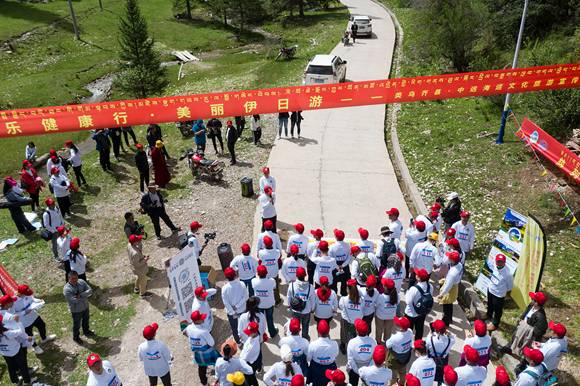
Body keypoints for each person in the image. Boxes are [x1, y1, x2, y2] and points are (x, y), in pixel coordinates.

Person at [13, 284, 56, 355]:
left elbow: (32, 299)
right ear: (20, 293)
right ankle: (35, 347)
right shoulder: (14, 301)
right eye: (26, 294)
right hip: (24, 322)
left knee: (42, 325)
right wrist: (24, 312)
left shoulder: (28, 294)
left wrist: (38, 301)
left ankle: (44, 338)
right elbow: (14, 314)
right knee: (29, 335)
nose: (27, 295)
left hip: (34, 316)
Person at [506, 291, 548, 356]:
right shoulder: (531, 305)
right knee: (514, 337)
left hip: (526, 334)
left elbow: (541, 330)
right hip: (521, 327)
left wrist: (529, 331)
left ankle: (520, 356)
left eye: (533, 299)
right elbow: (526, 312)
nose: (531, 300)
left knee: (521, 344)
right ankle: (508, 348)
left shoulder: (540, 316)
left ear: (536, 303)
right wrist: (521, 318)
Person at [184, 311, 220, 386]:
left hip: (197, 352)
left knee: (201, 367)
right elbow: (212, 343)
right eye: (201, 318)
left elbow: (184, 332)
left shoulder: (189, 327)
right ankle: (219, 376)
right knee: (218, 361)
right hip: (207, 352)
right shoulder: (203, 331)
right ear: (197, 321)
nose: (203, 319)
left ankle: (204, 383)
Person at [0, 314, 34, 385]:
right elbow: (21, 331)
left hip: (5, 353)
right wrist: (18, 322)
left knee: (10, 366)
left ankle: (15, 381)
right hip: (16, 351)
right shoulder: (7, 333)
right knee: (23, 365)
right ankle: (27, 381)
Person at [63, 271, 94, 344]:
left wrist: (80, 295)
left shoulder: (81, 282)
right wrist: (85, 295)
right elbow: (74, 301)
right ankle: (76, 337)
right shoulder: (67, 289)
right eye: (73, 278)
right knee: (77, 325)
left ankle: (86, 331)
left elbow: (90, 291)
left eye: (76, 278)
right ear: (69, 278)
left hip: (85, 306)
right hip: (76, 310)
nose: (75, 280)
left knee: (86, 320)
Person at [486, 253, 514, 332]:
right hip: (491, 289)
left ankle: (495, 324)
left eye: (501, 262)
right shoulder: (494, 266)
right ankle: (488, 315)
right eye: (498, 261)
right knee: (490, 304)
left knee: (498, 310)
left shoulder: (508, 274)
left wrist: (501, 290)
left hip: (498, 294)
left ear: (504, 262)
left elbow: (510, 286)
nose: (499, 263)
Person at [307, 320, 339, 386]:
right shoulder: (334, 344)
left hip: (316, 368)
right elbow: (336, 355)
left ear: (318, 331)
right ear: (329, 331)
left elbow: (309, 358)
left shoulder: (313, 344)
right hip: (330, 368)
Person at [435, 251, 462, 326]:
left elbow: (448, 286)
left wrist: (441, 294)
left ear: (453, 260)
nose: (448, 259)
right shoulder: (459, 265)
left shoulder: (452, 273)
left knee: (446, 306)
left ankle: (445, 323)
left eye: (450, 259)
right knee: (450, 304)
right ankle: (449, 319)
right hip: (455, 286)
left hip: (450, 289)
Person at [287, 267, 315, 340]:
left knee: (296, 325)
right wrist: (312, 309)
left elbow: (289, 297)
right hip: (306, 311)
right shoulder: (310, 287)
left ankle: (296, 337)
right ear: (305, 275)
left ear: (296, 275)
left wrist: (289, 306)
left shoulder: (291, 285)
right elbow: (313, 300)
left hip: (295, 310)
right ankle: (305, 337)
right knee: (305, 325)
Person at [405, 268, 433, 340]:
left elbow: (408, 302)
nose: (416, 275)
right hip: (422, 312)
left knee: (408, 330)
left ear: (418, 278)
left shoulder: (414, 289)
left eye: (417, 274)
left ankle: (408, 343)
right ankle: (418, 344)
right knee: (419, 329)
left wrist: (407, 293)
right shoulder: (430, 287)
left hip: (411, 314)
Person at [223, 267, 249, 344]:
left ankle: (238, 342)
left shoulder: (224, 288)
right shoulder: (242, 284)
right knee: (245, 325)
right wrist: (237, 306)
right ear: (235, 275)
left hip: (231, 313)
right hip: (242, 310)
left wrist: (233, 311)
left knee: (235, 328)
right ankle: (247, 339)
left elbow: (226, 302)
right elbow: (246, 297)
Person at [347, 319, 376, 386]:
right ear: (367, 331)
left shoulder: (352, 342)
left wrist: (358, 371)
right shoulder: (373, 342)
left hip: (354, 369)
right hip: (368, 368)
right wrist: (367, 370)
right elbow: (374, 358)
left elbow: (350, 360)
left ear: (356, 331)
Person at [386, 316, 414, 385]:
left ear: (400, 327)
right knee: (402, 373)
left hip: (395, 360)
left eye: (397, 324)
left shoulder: (395, 337)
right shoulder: (410, 331)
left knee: (393, 376)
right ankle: (401, 383)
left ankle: (391, 383)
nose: (396, 324)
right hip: (405, 358)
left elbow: (387, 345)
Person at [426, 320, 455, 385]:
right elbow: (452, 337)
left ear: (436, 330)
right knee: (441, 375)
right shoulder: (450, 340)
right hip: (443, 361)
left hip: (432, 360)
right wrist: (448, 332)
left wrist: (430, 332)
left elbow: (427, 346)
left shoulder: (430, 339)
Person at [339, 279, 363, 354]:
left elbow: (340, 307)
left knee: (344, 333)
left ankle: (343, 346)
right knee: (354, 336)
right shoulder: (362, 300)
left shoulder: (343, 299)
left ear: (348, 289)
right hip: (357, 322)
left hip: (346, 321)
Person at [252, 265, 277, 338]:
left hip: (259, 305)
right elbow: (274, 287)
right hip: (269, 304)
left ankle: (261, 334)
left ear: (258, 273)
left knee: (260, 320)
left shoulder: (254, 281)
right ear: (266, 273)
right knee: (270, 318)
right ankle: (272, 332)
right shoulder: (271, 281)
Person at [258, 235, 282, 304]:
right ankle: (277, 300)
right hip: (274, 272)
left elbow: (259, 259)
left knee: (266, 287)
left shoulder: (261, 253)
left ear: (264, 244)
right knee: (276, 287)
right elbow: (278, 258)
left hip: (265, 274)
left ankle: (268, 299)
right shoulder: (277, 252)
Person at [375, 278, 398, 344]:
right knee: (388, 330)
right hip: (391, 317)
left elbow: (376, 305)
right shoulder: (397, 296)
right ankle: (387, 342)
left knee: (379, 329)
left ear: (385, 287)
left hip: (380, 317)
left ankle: (378, 342)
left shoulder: (381, 297)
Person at [330, 228, 352, 296]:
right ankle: (344, 295)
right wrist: (343, 265)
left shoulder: (332, 247)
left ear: (336, 237)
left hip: (335, 266)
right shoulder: (348, 245)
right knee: (345, 283)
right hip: (345, 266)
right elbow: (349, 257)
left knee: (333, 283)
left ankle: (334, 296)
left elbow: (331, 259)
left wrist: (337, 266)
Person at [241, 321, 263, 386]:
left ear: (254, 333)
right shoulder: (254, 337)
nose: (247, 334)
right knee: (252, 377)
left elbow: (244, 358)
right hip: (253, 361)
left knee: (249, 379)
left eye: (249, 333)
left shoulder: (252, 346)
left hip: (250, 364)